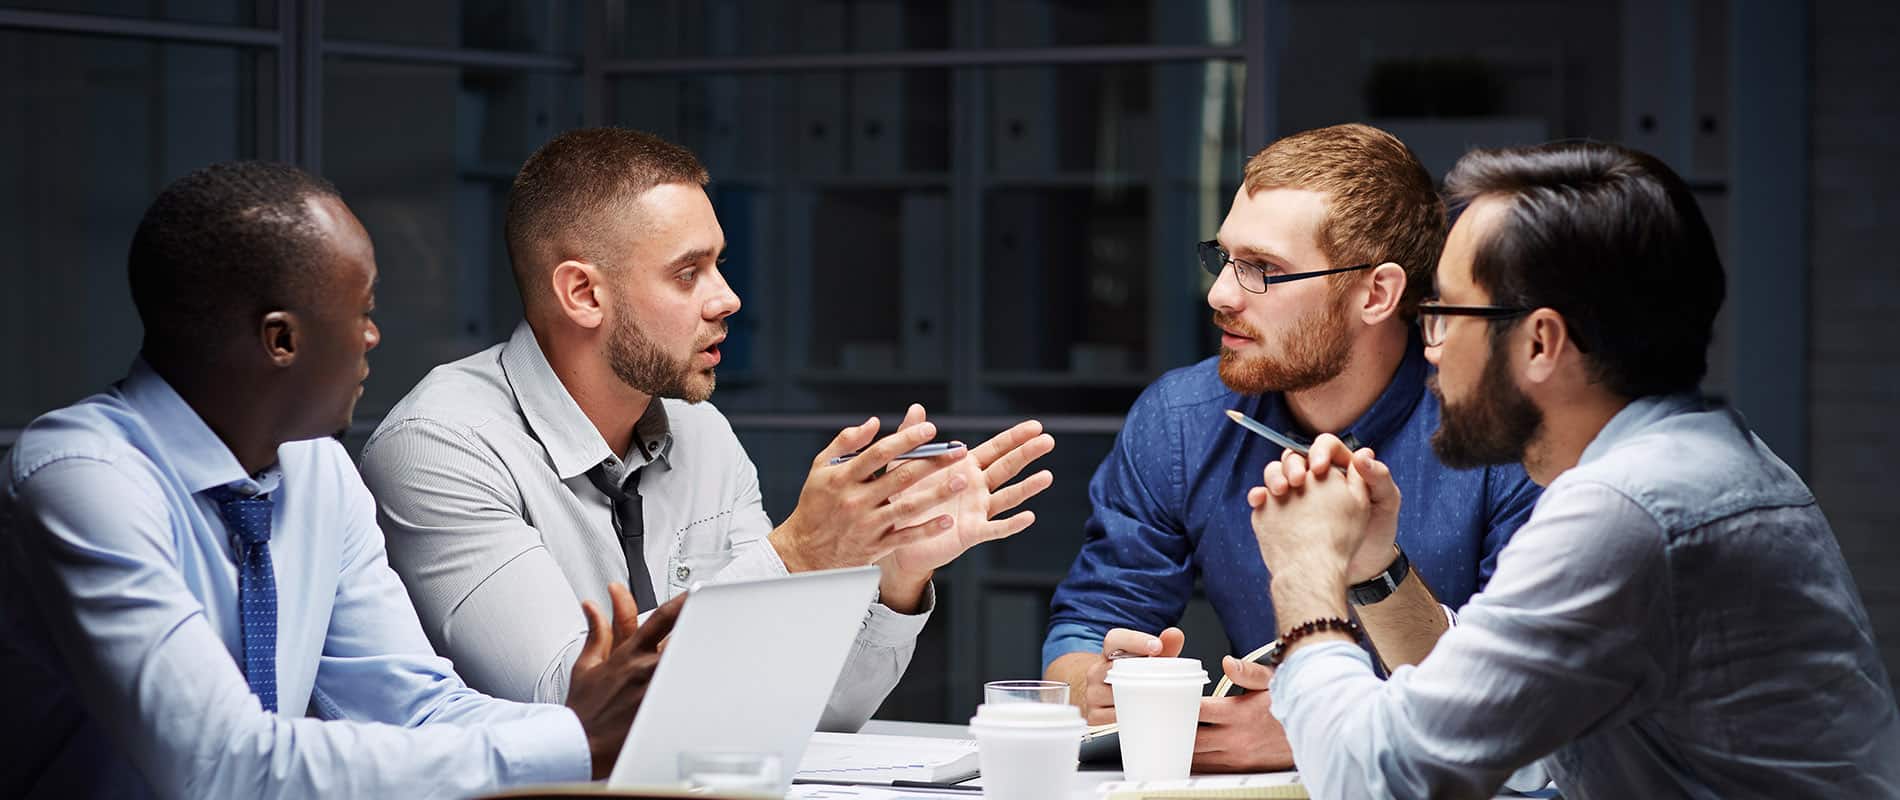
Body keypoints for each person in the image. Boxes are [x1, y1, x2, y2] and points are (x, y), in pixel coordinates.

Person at [0, 162, 681, 798]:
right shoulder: (84, 478)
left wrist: (598, 722)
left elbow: (411, 706)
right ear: (281, 340)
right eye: (363, 308)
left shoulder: (316, 467)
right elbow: (218, 764)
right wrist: (570, 739)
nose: (374, 336)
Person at [1246, 142, 1900, 798]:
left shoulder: (1631, 509)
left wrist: (1305, 571)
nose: (1431, 349)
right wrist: (1371, 567)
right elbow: (1500, 717)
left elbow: (1379, 778)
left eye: (1444, 313)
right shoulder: (1695, 462)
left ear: (1539, 341)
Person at [359, 128, 1055, 726]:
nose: (727, 298)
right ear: (582, 293)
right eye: (688, 273)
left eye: (716, 264)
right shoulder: (440, 446)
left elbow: (813, 709)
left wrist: (895, 575)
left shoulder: (703, 435)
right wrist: (797, 556)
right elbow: (572, 704)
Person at [1042, 123, 1542, 771]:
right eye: (1223, 258)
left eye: (1264, 270)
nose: (1220, 294)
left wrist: (1317, 724)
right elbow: (1089, 619)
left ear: (1377, 293)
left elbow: (1528, 696)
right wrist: (1095, 684)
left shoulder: (1498, 429)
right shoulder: (1181, 420)